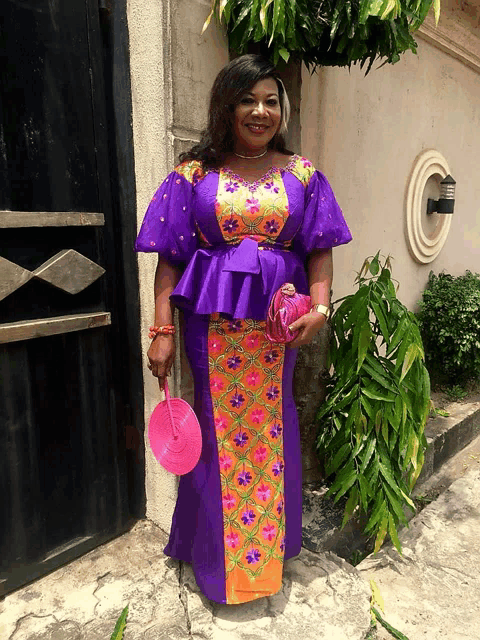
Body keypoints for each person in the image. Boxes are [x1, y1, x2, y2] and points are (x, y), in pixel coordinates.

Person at [135, 54, 352, 605]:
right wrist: (161, 328)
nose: (261, 111)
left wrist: (321, 308)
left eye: (271, 101)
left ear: (281, 109)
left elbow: (319, 249)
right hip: (212, 330)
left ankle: (260, 564)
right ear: (227, 106)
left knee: (271, 430)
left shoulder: (303, 174)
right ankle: (216, 566)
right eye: (247, 100)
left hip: (276, 331)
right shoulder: (195, 174)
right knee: (215, 433)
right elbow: (170, 259)